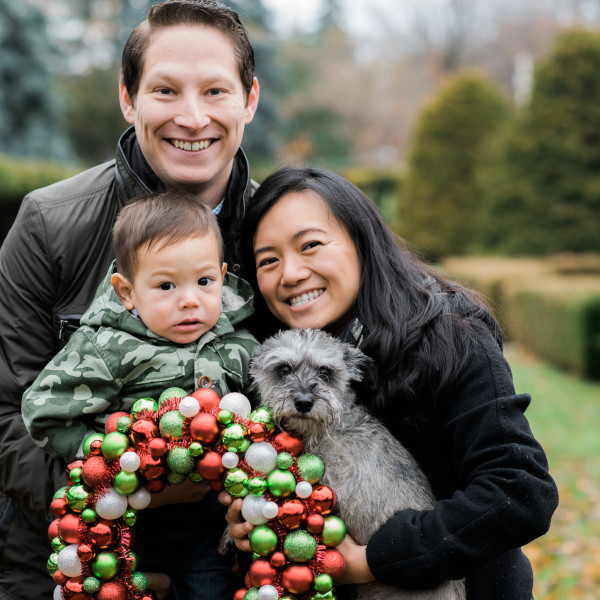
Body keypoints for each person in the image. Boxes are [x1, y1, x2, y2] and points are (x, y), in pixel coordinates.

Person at [0, 1, 259, 598]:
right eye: (166, 90)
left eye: (216, 91)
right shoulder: (51, 223)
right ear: (128, 98)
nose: (192, 118)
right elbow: (6, 414)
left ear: (248, 99)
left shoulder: (281, 234)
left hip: (234, 563)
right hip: (65, 556)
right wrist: (129, 496)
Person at [221, 166, 559, 600]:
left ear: (362, 243)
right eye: (268, 260)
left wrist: (373, 560)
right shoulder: (269, 360)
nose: (289, 273)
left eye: (311, 245)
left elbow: (520, 490)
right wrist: (253, 522)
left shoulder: (451, 339)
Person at [22, 192, 258, 599]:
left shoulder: (238, 343)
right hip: (128, 523)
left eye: (204, 282)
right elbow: (43, 412)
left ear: (222, 275)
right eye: (166, 285)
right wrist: (107, 461)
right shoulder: (105, 349)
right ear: (127, 292)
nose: (189, 299)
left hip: (209, 523)